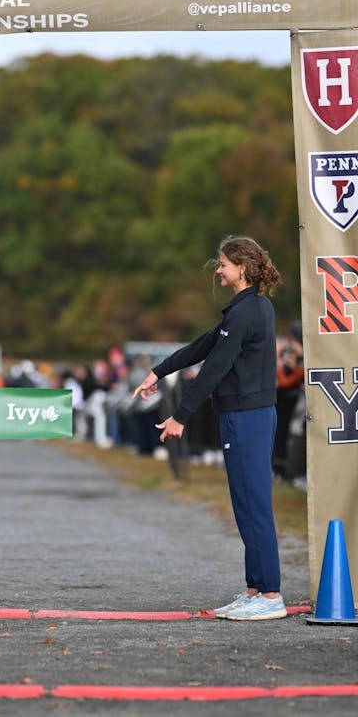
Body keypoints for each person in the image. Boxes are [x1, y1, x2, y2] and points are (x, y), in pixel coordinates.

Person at [132, 235, 285, 621]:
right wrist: (159, 370)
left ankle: (270, 596)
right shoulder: (247, 308)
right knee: (245, 505)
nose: (218, 270)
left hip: (247, 416)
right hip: (247, 414)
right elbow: (204, 345)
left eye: (222, 264)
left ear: (242, 268)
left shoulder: (248, 312)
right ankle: (255, 589)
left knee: (254, 506)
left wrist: (181, 416)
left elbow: (214, 368)